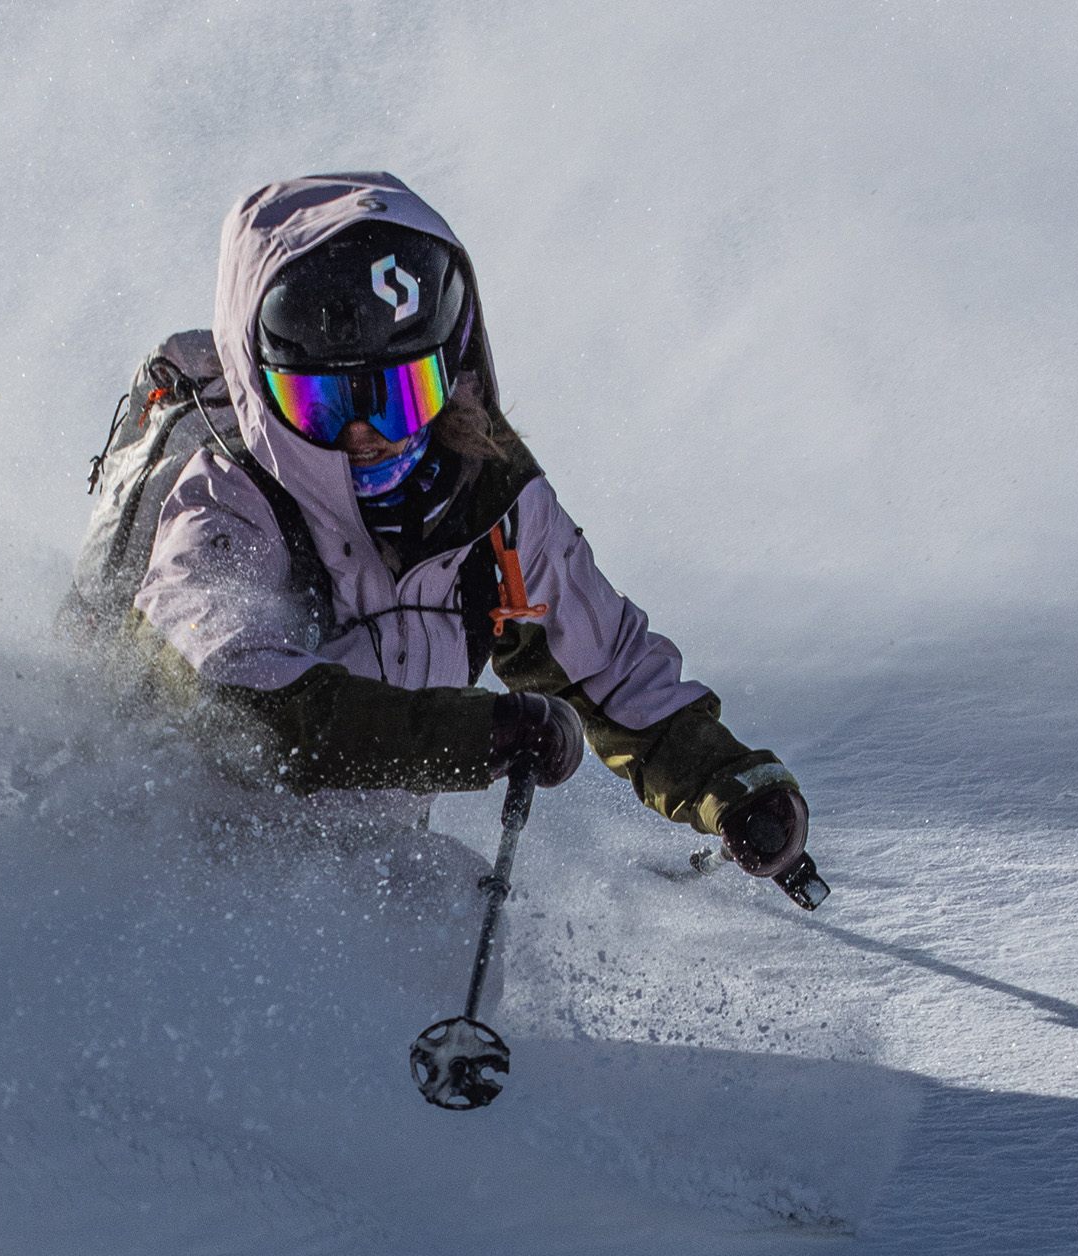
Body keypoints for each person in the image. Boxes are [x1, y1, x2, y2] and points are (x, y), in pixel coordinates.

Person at [119, 172, 808, 883]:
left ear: (452, 368)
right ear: (259, 384)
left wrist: (724, 784)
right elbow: (228, 695)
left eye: (398, 396)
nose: (363, 434)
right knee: (435, 903)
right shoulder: (225, 501)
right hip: (190, 874)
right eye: (320, 403)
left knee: (437, 901)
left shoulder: (485, 498)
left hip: (360, 868)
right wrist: (474, 735)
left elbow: (603, 661)